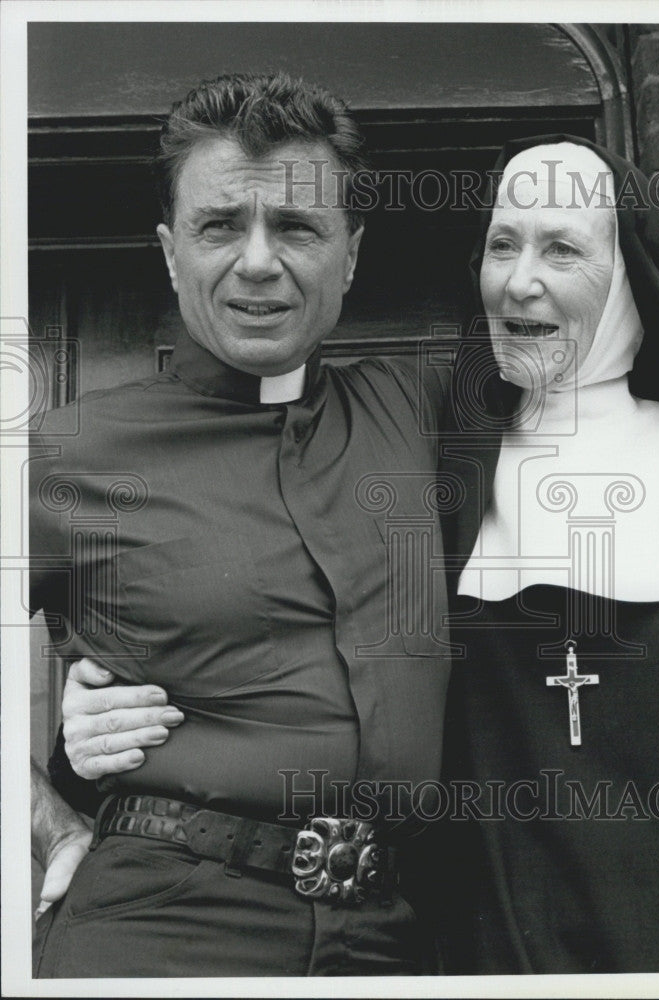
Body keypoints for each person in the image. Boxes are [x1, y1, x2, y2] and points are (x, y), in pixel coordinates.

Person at [29, 72, 452, 977]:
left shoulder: (420, 410)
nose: (258, 261)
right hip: (162, 927)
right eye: (220, 225)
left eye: (298, 227)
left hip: (397, 935)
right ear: (170, 252)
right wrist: (43, 812)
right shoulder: (70, 447)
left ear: (351, 254)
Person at [438, 137, 659, 973]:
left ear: (628, 282)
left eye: (560, 248)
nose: (518, 280)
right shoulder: (440, 479)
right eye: (502, 244)